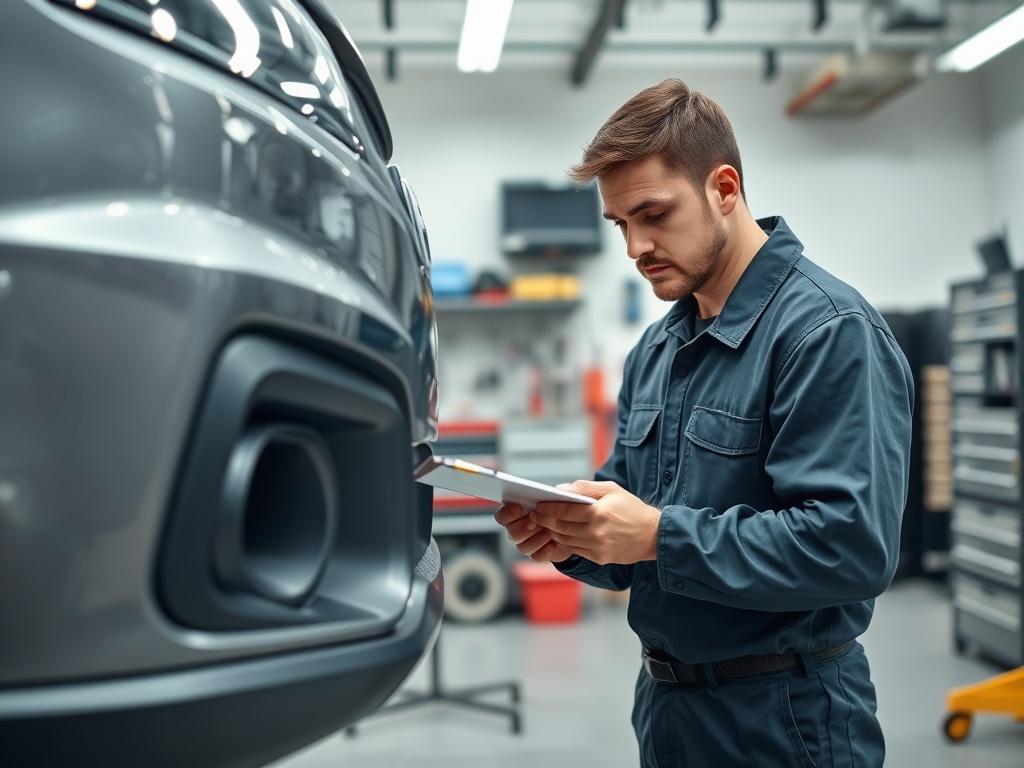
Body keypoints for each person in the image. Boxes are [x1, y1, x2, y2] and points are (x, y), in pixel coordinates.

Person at [494, 78, 913, 768]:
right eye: (621, 224)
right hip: (667, 710)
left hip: (784, 718)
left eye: (653, 214)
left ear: (724, 188)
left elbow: (853, 548)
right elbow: (633, 545)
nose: (635, 246)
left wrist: (659, 535)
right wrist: (572, 534)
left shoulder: (826, 333)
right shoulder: (657, 350)